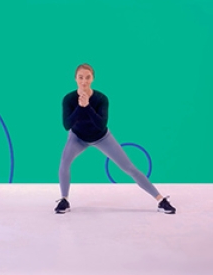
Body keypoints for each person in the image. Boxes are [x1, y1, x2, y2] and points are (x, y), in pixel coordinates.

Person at [55, 63, 176, 214]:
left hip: (101, 137)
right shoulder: (69, 99)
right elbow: (67, 125)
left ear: (92, 79)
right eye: (80, 78)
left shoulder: (101, 98)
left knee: (129, 168)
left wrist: (87, 106)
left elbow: (100, 124)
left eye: (87, 77)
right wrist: (80, 107)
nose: (84, 81)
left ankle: (160, 199)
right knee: (64, 163)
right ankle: (64, 199)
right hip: (78, 138)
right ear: (75, 79)